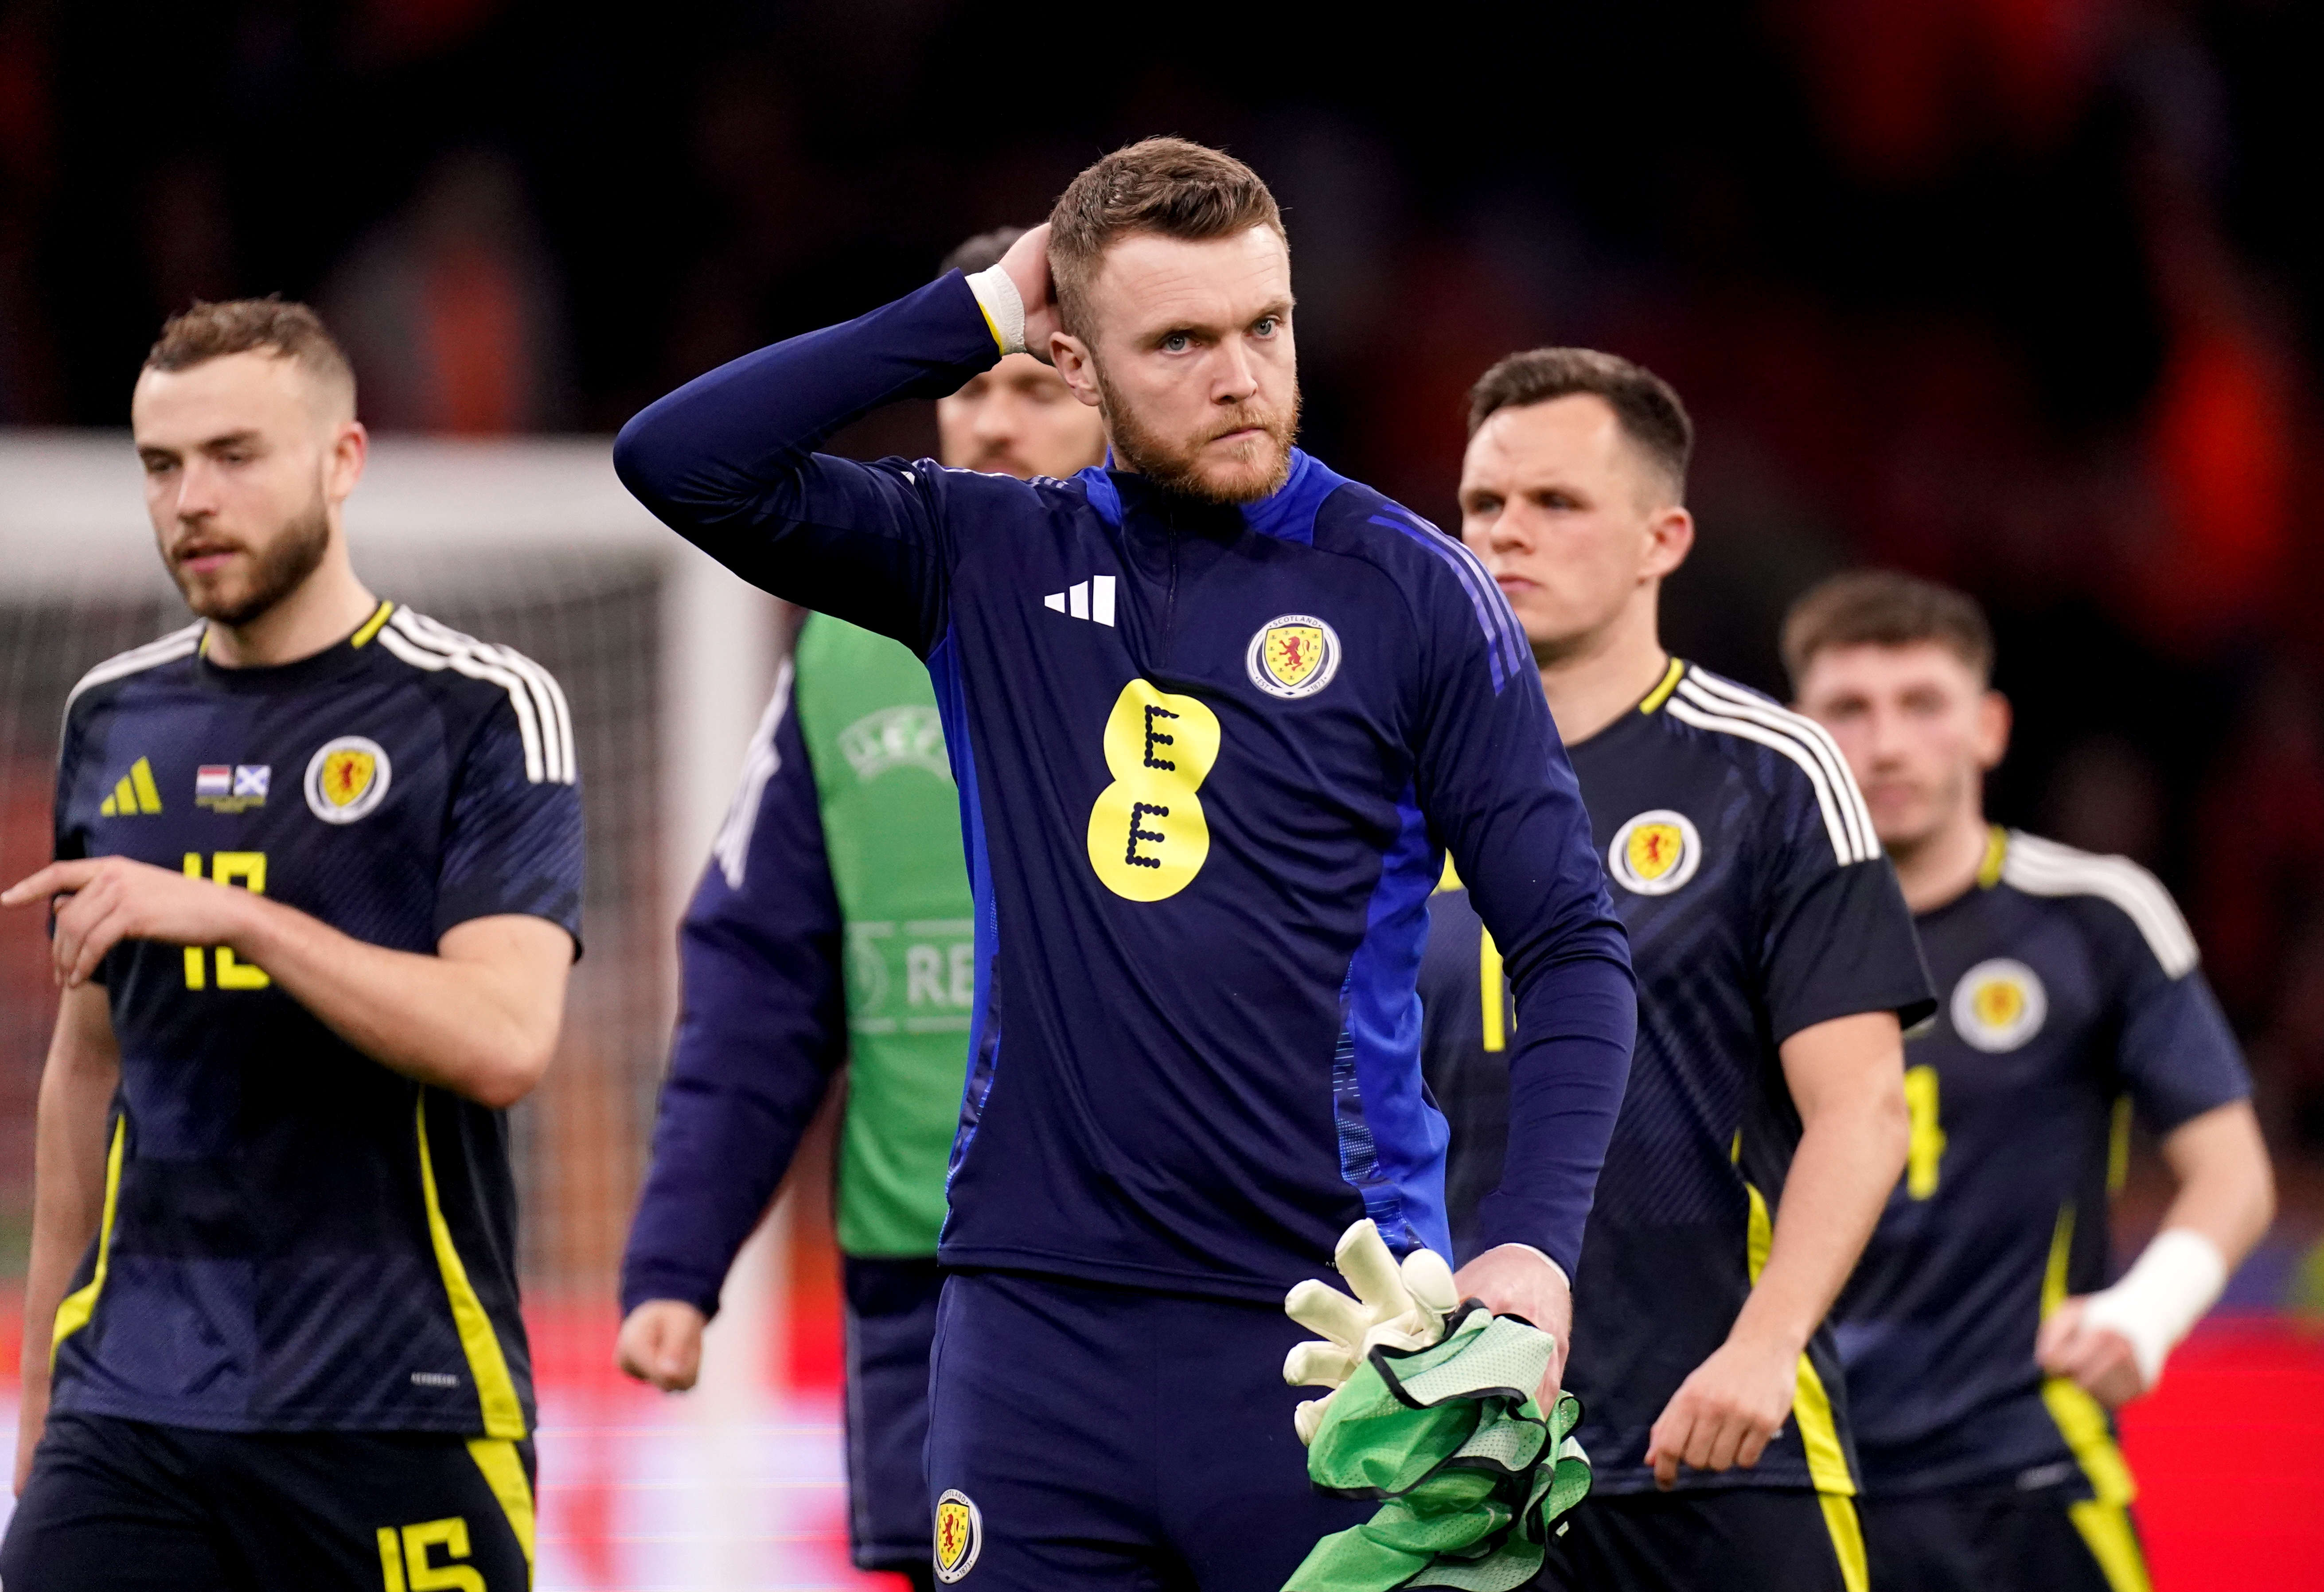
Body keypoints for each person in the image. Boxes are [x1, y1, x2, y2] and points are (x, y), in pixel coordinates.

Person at [613, 137, 1637, 1592]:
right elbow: (678, 460)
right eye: (1177, 340)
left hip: (1330, 1340)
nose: (1238, 375)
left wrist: (1530, 1247)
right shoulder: (975, 557)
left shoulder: (1410, 588)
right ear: (1075, 368)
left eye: (1263, 327)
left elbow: (1571, 949)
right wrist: (969, 309)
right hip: (1030, 1340)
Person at [0, 299, 582, 1591]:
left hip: (397, 1405)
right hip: (132, 1407)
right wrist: (45, 1393)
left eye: (235, 456)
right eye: (162, 466)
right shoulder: (113, 717)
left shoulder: (480, 710)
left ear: (343, 459)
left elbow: (502, 1042)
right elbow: (86, 1074)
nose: (191, 500)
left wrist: (242, 918)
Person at [614, 226, 1107, 1590]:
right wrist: (677, 1254)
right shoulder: (844, 641)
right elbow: (764, 973)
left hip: (1146, 1264)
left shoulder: (1205, 625)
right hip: (919, 1277)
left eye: (1040, 386)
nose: (994, 422)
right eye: (975, 384)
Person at [1424, 348, 1934, 1592]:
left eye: (1555, 504)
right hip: (1445, 1459)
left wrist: (1763, 1352)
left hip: (1711, 1442)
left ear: (1662, 537)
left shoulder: (1769, 773)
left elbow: (1861, 1112)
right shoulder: (1386, 783)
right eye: (1485, 506)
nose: (1507, 535)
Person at [1787, 571, 2274, 1592]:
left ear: (1991, 727)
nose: (1887, 742)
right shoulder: (1744, 935)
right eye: (1849, 707)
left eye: (1923, 703)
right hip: (1793, 1475)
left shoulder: (2097, 915)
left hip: (2026, 1465)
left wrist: (2150, 1307)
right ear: (1800, 733)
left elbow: (2234, 1171)